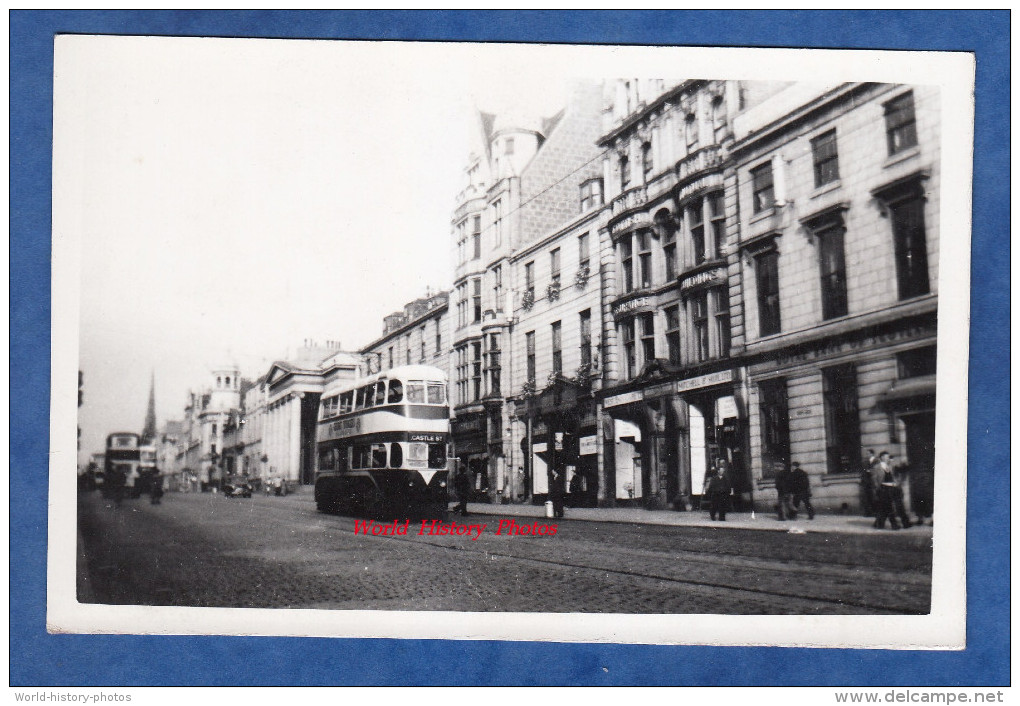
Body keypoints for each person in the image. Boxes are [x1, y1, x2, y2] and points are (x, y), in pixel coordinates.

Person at [872, 451, 911, 530]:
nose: (887, 458)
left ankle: (906, 523)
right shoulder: (877, 467)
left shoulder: (891, 466)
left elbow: (900, 472)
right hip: (884, 488)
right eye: (886, 457)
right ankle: (894, 525)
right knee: (889, 507)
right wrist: (877, 489)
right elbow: (874, 479)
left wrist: (898, 483)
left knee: (899, 506)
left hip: (894, 488)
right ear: (882, 458)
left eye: (888, 457)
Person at [860, 449, 877, 517]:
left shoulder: (876, 461)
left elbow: (876, 470)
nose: (867, 455)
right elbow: (863, 472)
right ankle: (868, 513)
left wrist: (870, 471)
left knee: (874, 497)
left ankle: (875, 512)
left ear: (872, 454)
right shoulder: (865, 462)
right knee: (867, 497)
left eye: (868, 454)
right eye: (867, 454)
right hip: (867, 482)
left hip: (873, 482)